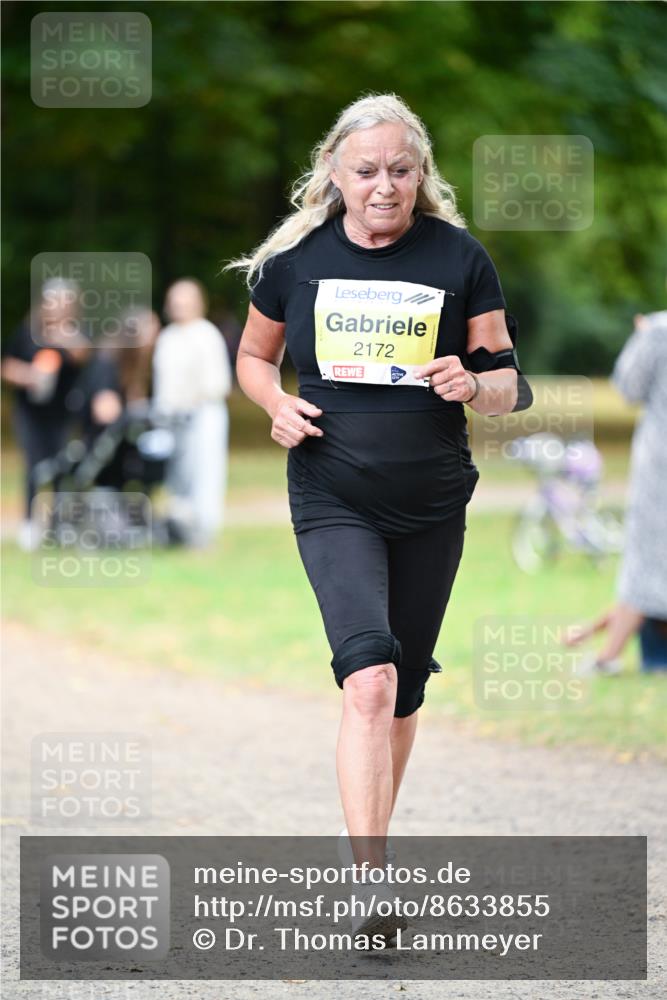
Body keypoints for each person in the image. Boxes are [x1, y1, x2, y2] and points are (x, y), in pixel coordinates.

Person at [228, 93, 531, 941]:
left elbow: (511, 380)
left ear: (421, 173)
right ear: (334, 170)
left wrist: (475, 384)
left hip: (433, 500)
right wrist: (274, 405)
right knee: (369, 677)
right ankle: (371, 880)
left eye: (401, 169)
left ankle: (367, 836)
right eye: (366, 170)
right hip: (332, 494)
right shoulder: (297, 264)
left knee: (403, 694)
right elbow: (253, 357)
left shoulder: (458, 258)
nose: (384, 186)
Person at [565, 309, 667, 673]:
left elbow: (628, 388)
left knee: (647, 553)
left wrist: (640, 337)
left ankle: (609, 655)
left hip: (660, 465)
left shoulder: (658, 331)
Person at [1, 278, 90, 548]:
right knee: (34, 465)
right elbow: (6, 364)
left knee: (62, 466)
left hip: (62, 413)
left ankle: (59, 524)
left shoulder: (76, 333)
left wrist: (63, 335)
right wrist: (26, 375)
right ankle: (30, 523)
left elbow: (85, 355)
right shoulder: (28, 331)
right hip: (29, 411)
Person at [152, 279, 232, 547]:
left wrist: (190, 404)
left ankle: (203, 529)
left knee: (204, 471)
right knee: (177, 474)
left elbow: (217, 383)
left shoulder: (206, 335)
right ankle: (178, 525)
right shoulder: (167, 337)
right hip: (171, 418)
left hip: (203, 415)